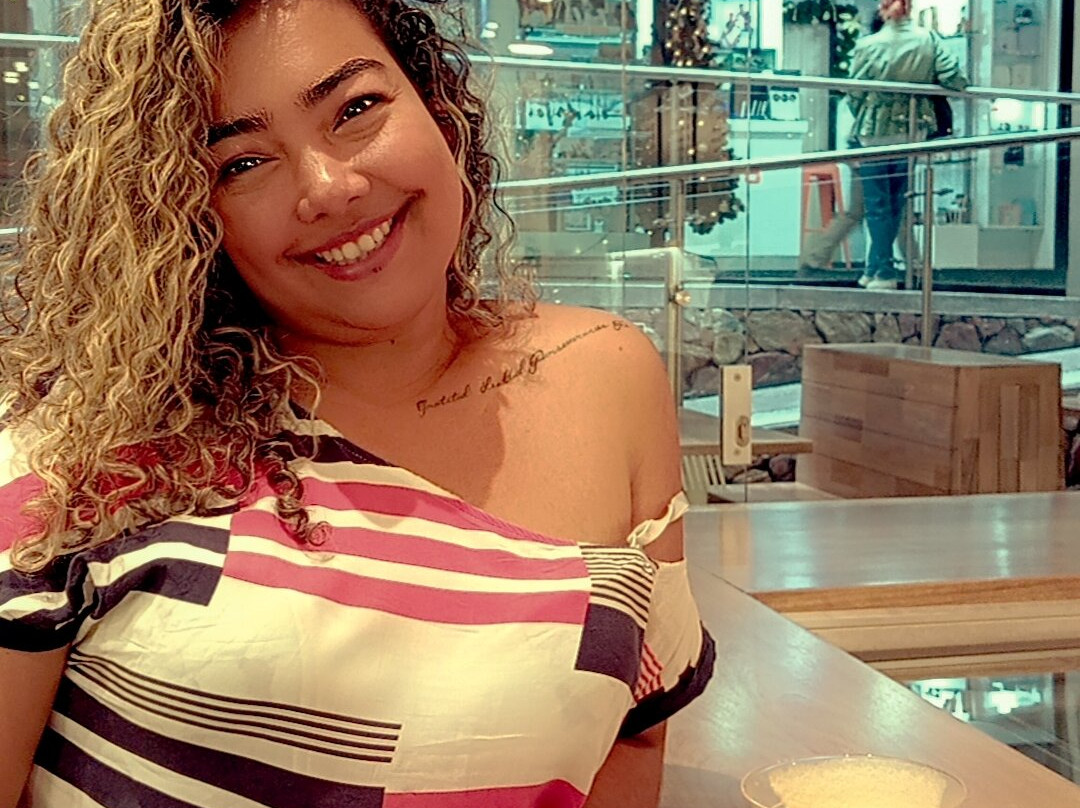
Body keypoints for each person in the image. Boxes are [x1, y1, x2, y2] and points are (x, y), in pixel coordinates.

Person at [0, 1, 715, 806]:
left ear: (436, 104)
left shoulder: (606, 373)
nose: (329, 188)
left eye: (356, 108)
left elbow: (634, 731)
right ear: (184, 215)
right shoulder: (83, 453)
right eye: (242, 163)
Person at [846, 0, 967, 289]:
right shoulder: (929, 39)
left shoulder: (869, 45)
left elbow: (855, 93)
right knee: (897, 201)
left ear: (882, 8)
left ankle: (884, 271)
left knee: (877, 203)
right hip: (912, 129)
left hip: (874, 130)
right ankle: (874, 267)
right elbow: (955, 77)